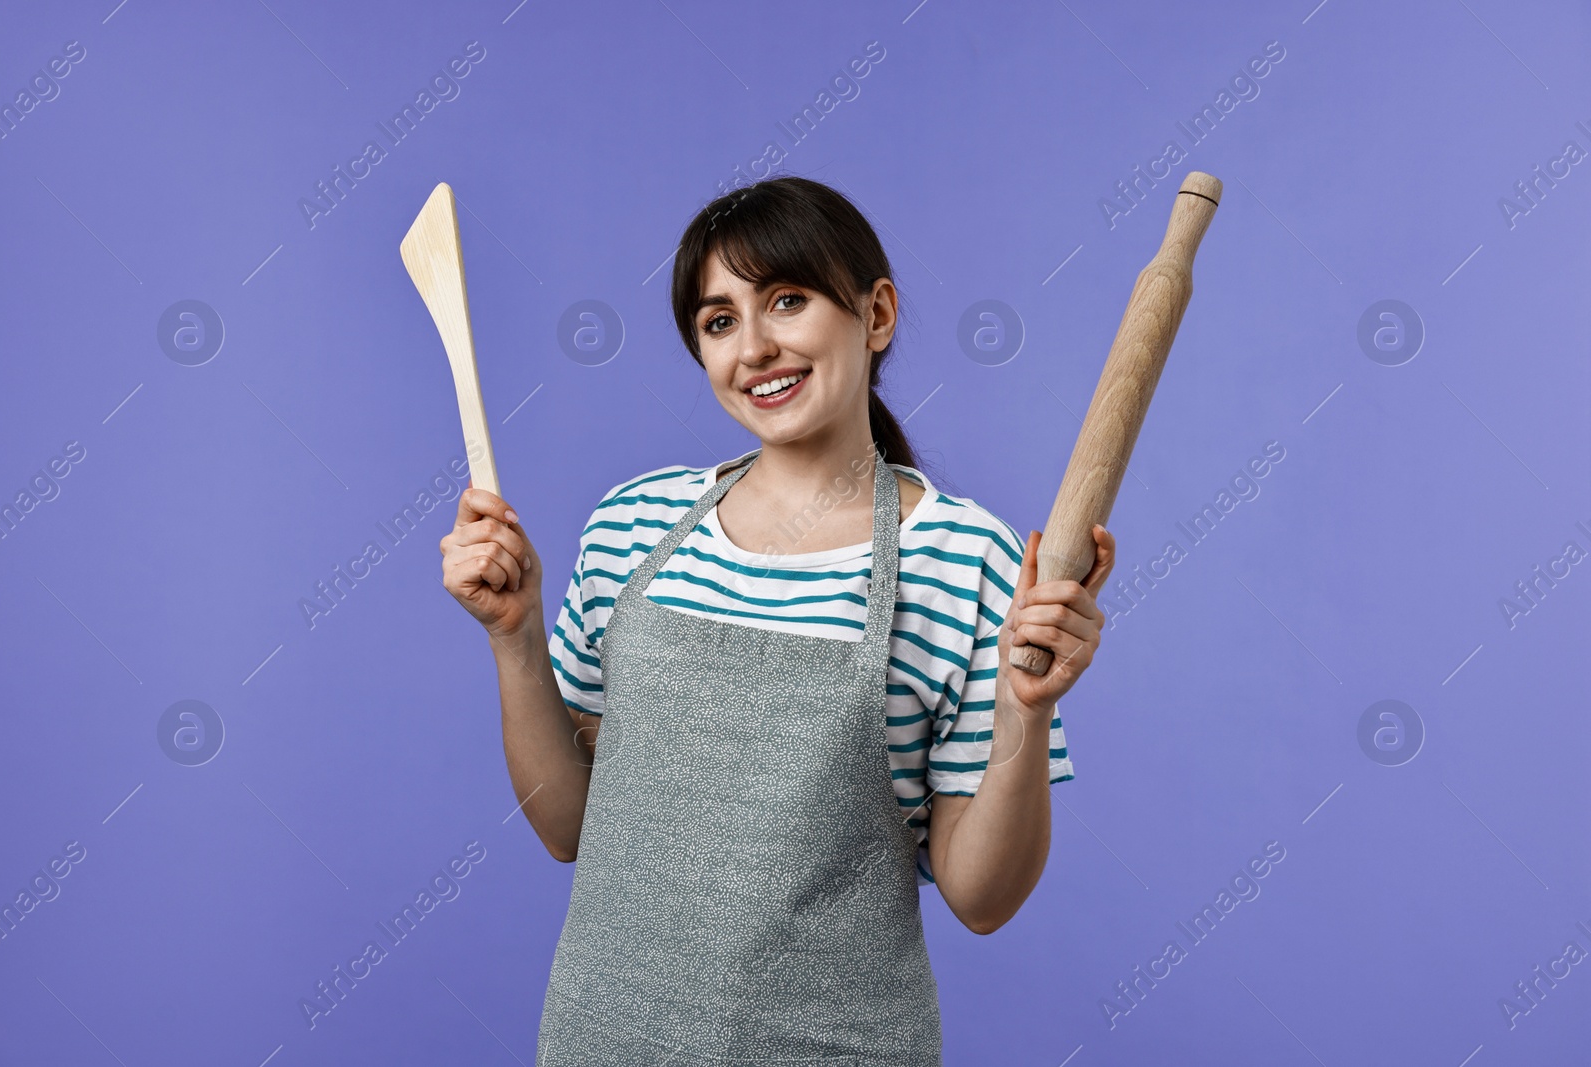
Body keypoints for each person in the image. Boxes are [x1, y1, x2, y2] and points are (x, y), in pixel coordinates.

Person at [439, 176, 1115, 1066]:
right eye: (719, 321)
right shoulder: (634, 525)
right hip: (602, 1041)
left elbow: (981, 897)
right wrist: (513, 638)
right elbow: (569, 827)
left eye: (786, 301)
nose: (753, 347)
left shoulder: (964, 559)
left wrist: (1025, 710)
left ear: (876, 316)